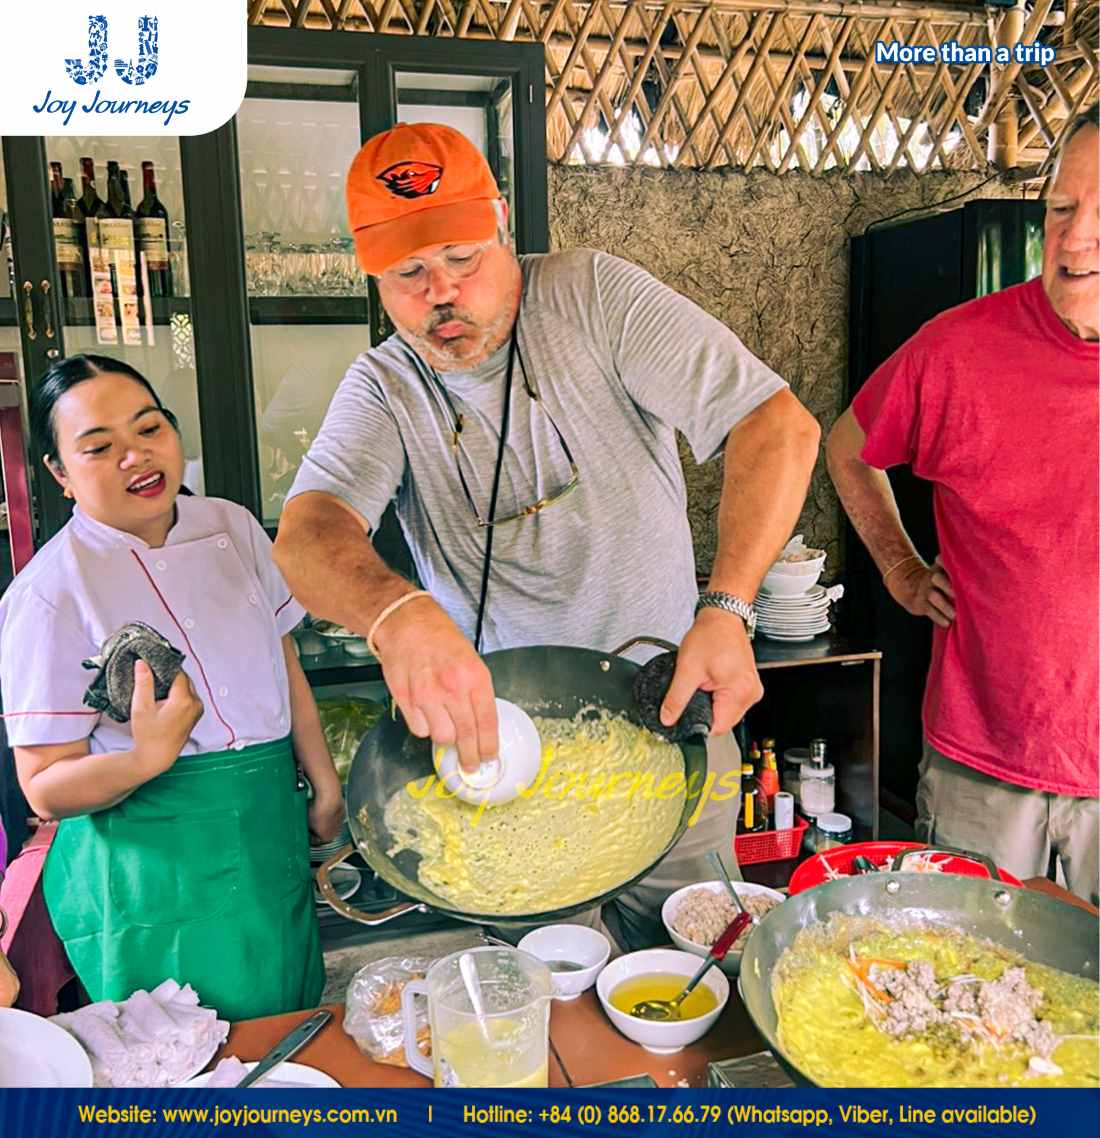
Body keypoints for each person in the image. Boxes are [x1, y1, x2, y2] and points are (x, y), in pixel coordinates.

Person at [274, 123, 820, 949]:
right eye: (409, 274)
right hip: (502, 753)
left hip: (670, 714)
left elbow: (776, 425)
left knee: (702, 968)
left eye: (462, 258)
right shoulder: (384, 386)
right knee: (546, 999)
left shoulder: (593, 296)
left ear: (500, 224)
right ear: (373, 276)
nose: (441, 294)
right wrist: (395, 614)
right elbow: (307, 533)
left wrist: (729, 608)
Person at [0, 354, 343, 1018]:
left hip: (266, 823)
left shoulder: (233, 527)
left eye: (149, 428)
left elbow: (283, 659)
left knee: (286, 1018)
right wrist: (144, 757)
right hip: (153, 861)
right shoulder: (49, 593)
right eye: (99, 447)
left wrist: (323, 779)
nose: (135, 456)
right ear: (60, 473)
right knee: (177, 1047)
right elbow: (42, 785)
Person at [826, 106, 1099, 905]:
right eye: (1061, 208)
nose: (1076, 239)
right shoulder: (957, 349)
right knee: (960, 970)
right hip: (981, 761)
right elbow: (847, 448)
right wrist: (902, 569)